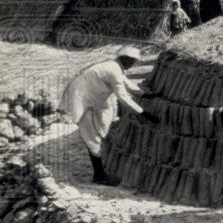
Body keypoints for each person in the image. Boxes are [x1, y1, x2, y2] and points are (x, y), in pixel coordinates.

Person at [58, 46, 158, 184]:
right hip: (79, 99)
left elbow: (126, 83)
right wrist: (143, 112)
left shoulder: (115, 66)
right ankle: (99, 176)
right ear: (125, 59)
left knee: (97, 133)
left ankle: (99, 171)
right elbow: (122, 96)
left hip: (87, 97)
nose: (132, 65)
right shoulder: (113, 70)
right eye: (131, 62)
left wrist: (144, 94)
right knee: (92, 137)